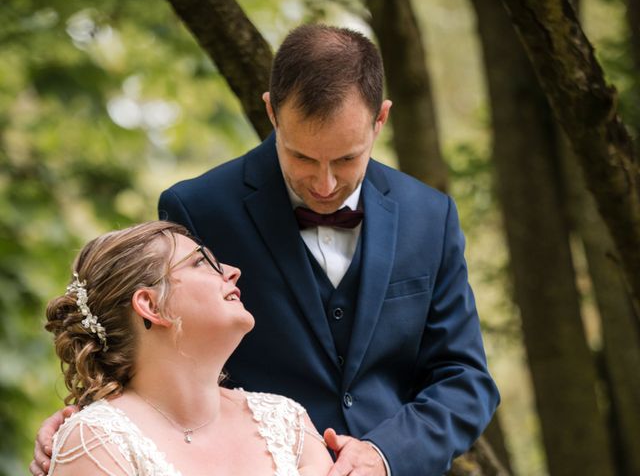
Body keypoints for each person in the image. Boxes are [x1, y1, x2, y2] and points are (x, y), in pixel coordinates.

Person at [33, 24, 499, 475]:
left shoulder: (430, 216)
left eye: (345, 159)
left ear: (381, 119)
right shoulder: (199, 207)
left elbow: (465, 377)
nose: (324, 184)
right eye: (301, 157)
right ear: (272, 112)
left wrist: (388, 454)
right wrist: (99, 420)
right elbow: (161, 345)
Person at [40, 221, 332, 475]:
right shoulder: (97, 439)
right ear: (151, 305)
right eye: (200, 262)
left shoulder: (286, 421)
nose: (232, 272)